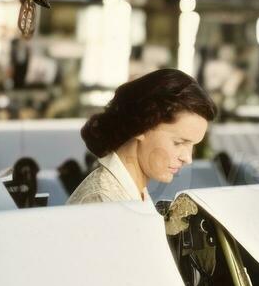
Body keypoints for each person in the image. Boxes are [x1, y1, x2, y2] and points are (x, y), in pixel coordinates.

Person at [67, 68, 216, 205]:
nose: (187, 159)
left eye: (193, 146)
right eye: (178, 143)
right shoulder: (103, 201)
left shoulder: (134, 192)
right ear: (142, 127)